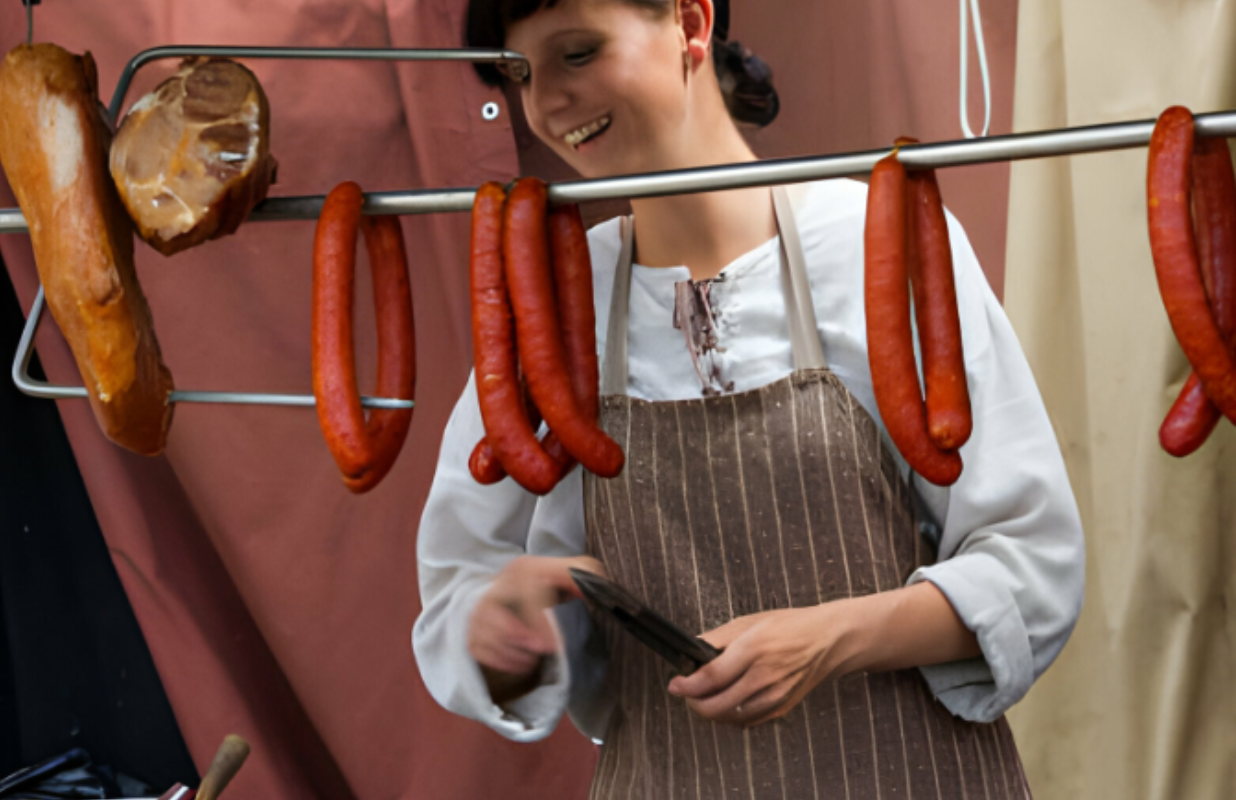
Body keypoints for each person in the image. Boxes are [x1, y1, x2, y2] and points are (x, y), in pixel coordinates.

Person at [411, 0, 1086, 796]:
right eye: (518, 73)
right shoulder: (554, 306)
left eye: (577, 53)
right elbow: (460, 590)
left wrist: (832, 637)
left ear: (691, 22)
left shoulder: (876, 238)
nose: (546, 102)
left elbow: (1032, 566)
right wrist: (504, 626)